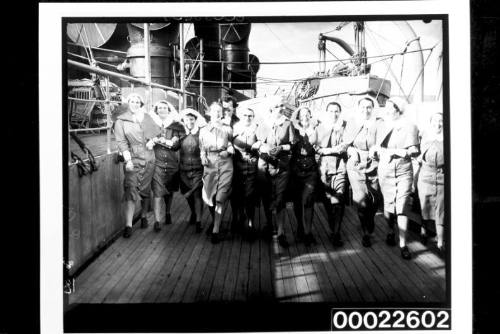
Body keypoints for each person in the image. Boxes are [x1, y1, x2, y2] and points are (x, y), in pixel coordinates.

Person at [376, 97, 420, 260]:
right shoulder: (381, 125)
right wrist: (376, 150)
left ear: (398, 109)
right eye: (385, 107)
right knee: (389, 203)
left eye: (390, 107)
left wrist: (404, 152)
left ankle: (403, 244)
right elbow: (376, 145)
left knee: (401, 205)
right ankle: (389, 231)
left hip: (403, 169)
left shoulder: (410, 125)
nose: (387, 110)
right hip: (385, 168)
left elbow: (415, 149)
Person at [114, 93, 159, 238]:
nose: (134, 103)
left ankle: (144, 215)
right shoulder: (121, 120)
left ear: (141, 103)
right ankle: (128, 225)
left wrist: (153, 140)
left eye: (137, 101)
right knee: (130, 188)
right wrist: (127, 160)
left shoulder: (146, 117)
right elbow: (121, 142)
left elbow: (158, 133)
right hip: (132, 158)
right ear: (128, 103)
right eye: (132, 101)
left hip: (148, 157)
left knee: (145, 190)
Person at [255, 99, 296, 248]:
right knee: (266, 196)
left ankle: (280, 232)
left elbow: (292, 144)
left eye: (282, 106)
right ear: (271, 108)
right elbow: (258, 142)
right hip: (265, 164)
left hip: (282, 166)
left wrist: (282, 148)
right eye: (278, 106)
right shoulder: (264, 124)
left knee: (280, 198)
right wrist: (263, 148)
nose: (281, 108)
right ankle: (268, 224)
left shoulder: (287, 123)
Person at [343, 97, 383, 248]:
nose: (366, 110)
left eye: (369, 107)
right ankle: (366, 232)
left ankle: (370, 219)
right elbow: (345, 142)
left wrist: (377, 149)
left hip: (374, 163)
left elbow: (383, 142)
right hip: (356, 164)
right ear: (358, 108)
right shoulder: (352, 122)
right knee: (361, 200)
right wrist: (351, 150)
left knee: (375, 198)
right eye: (363, 107)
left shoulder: (379, 123)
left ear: (373, 109)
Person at [199, 102, 235, 243]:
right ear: (209, 113)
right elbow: (202, 148)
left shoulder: (227, 128)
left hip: (225, 163)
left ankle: (216, 229)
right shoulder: (203, 129)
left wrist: (229, 151)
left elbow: (232, 144)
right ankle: (216, 221)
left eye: (219, 111)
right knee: (209, 196)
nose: (217, 114)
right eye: (214, 111)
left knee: (220, 197)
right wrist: (202, 157)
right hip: (210, 163)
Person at [314, 102, 347, 247]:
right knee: (328, 201)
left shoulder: (345, 127)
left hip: (340, 166)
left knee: (338, 199)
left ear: (340, 112)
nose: (334, 114)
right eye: (331, 111)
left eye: (337, 111)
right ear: (326, 112)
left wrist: (329, 150)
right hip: (324, 168)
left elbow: (345, 145)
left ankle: (336, 233)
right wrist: (325, 150)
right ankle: (332, 227)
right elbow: (315, 146)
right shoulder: (320, 128)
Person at [150, 100, 185, 232]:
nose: (163, 110)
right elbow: (148, 138)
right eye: (160, 108)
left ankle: (168, 212)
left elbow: (176, 145)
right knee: (157, 191)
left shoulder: (175, 125)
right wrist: (153, 140)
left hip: (171, 162)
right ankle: (157, 221)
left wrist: (168, 141)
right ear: (156, 110)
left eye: (165, 108)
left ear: (169, 110)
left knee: (169, 190)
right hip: (157, 162)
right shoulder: (152, 124)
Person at [290, 107, 319, 246]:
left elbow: (320, 144)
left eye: (307, 114)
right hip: (295, 169)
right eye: (302, 115)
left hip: (311, 170)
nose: (305, 117)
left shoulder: (316, 129)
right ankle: (300, 227)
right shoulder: (293, 130)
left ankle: (308, 232)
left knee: (308, 200)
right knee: (297, 201)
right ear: (298, 117)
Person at [417, 111, 445, 254]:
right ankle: (423, 231)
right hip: (425, 177)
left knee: (441, 210)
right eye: (435, 121)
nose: (438, 124)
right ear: (430, 123)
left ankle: (440, 241)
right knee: (425, 206)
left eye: (440, 121)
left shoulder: (449, 138)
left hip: (441, 178)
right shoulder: (425, 137)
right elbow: (418, 157)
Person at [231, 107, 260, 238]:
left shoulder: (256, 128)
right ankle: (237, 218)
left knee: (249, 195)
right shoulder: (236, 128)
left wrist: (258, 143)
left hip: (251, 165)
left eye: (250, 115)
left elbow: (261, 141)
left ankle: (250, 223)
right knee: (237, 194)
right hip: (237, 164)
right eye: (245, 115)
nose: (247, 118)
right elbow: (233, 143)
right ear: (240, 116)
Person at [179, 108, 205, 233]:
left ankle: (199, 221)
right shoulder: (181, 134)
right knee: (187, 194)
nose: (189, 121)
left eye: (192, 119)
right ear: (183, 121)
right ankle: (193, 213)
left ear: (195, 120)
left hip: (198, 168)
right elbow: (174, 147)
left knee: (197, 195)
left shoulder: (201, 133)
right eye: (187, 119)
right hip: (183, 169)